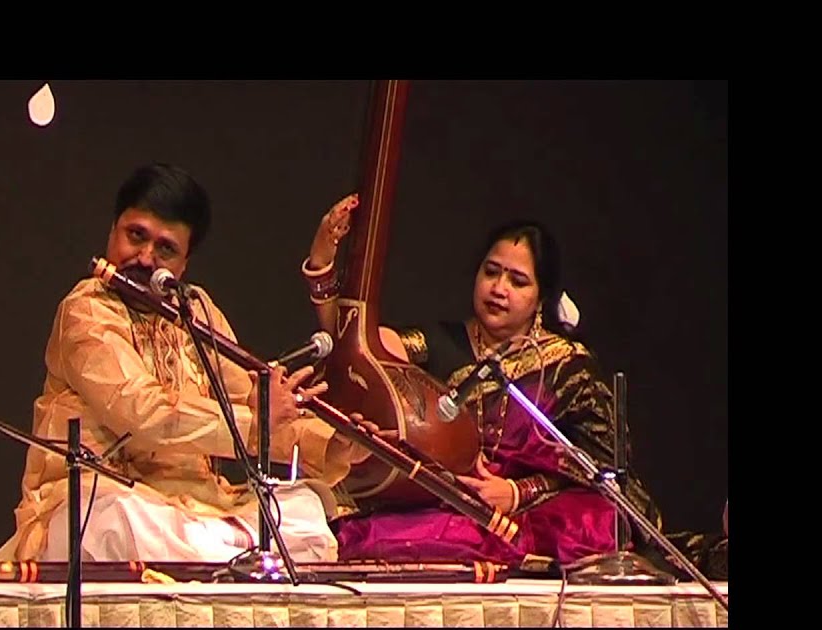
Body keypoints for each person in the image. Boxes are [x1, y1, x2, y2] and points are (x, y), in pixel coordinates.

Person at [299, 194, 728, 578]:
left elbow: (605, 470)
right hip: (452, 504)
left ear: (541, 297)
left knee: (598, 521)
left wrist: (517, 491)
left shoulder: (567, 367)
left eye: (517, 281)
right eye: (491, 272)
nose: (499, 289)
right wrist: (323, 266)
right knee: (379, 534)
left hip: (537, 511)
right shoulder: (438, 342)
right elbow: (358, 351)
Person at [0, 164, 374, 568]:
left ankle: (218, 555)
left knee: (303, 513)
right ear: (112, 230)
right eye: (136, 236)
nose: (145, 257)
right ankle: (224, 557)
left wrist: (331, 443)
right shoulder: (85, 311)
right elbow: (144, 413)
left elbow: (255, 401)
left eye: (165, 249)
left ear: (183, 263)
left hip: (193, 505)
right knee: (118, 522)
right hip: (102, 497)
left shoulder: (193, 309)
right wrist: (256, 421)